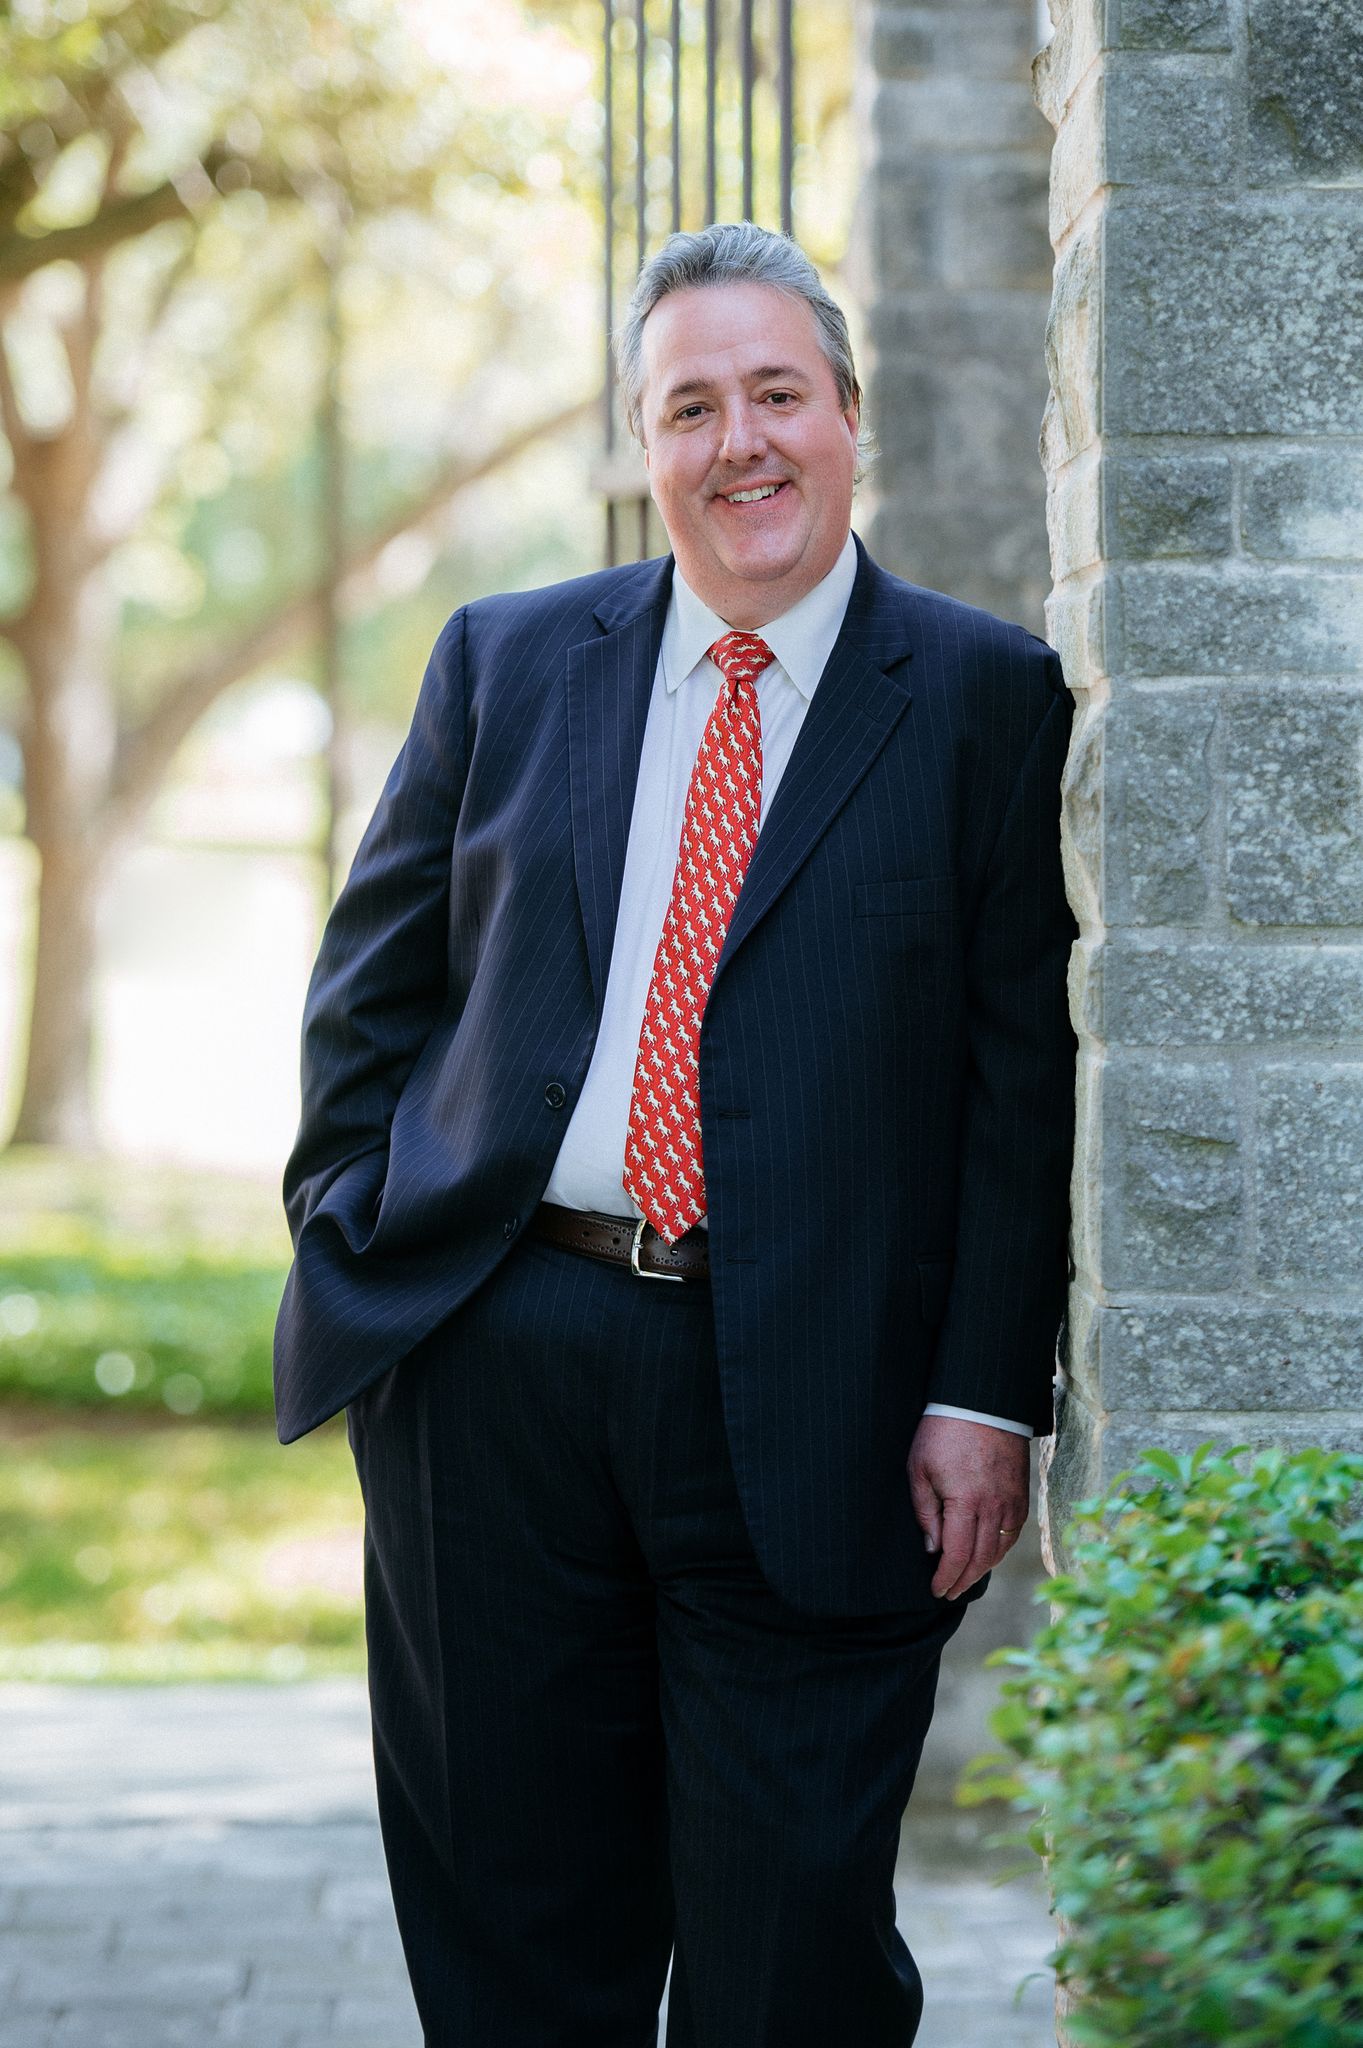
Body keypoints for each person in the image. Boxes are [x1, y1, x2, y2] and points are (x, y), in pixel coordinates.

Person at [274, 221, 1078, 2047]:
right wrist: (363, 1244)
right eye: (689, 406)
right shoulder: (506, 660)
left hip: (821, 1398)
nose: (739, 444)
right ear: (648, 448)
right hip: (499, 1366)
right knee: (509, 1946)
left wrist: (984, 1390)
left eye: (774, 394)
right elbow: (368, 1003)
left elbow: (1018, 1080)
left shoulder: (978, 700)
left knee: (787, 1962)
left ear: (848, 417)